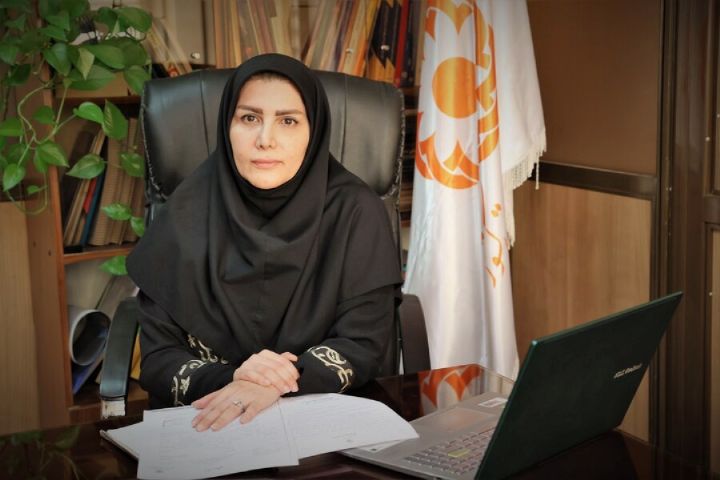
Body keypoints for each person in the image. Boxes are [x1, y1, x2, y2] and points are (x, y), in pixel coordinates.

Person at [126, 54, 402, 432]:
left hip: (322, 425)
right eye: (249, 118)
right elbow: (159, 360)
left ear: (314, 130)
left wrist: (276, 383)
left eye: (288, 121)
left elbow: (363, 344)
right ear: (227, 126)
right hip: (208, 425)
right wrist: (236, 379)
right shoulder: (183, 214)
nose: (265, 140)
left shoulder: (355, 212)